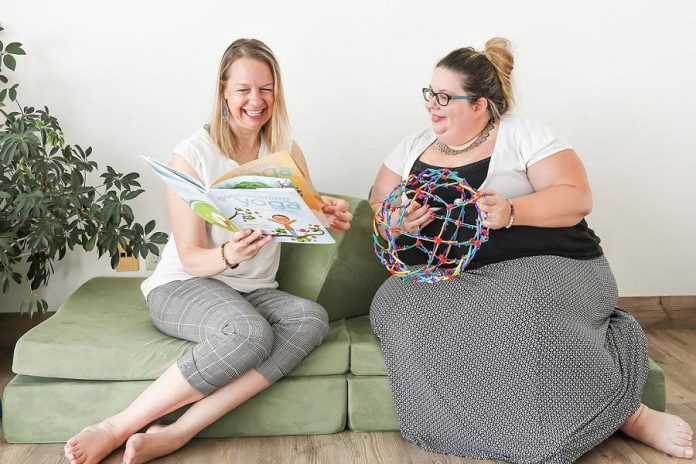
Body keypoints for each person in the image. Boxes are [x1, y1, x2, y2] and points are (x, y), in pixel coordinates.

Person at [369, 38, 693, 463]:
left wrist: (511, 210)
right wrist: (396, 220)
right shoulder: (411, 147)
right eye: (430, 93)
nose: (432, 103)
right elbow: (377, 204)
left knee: (518, 305)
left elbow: (576, 197)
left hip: (552, 264)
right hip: (451, 276)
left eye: (445, 96)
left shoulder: (526, 135)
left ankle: (629, 414)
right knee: (396, 304)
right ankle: (482, 432)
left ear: (480, 104)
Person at [63, 38, 353, 464]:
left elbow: (302, 219)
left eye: (266, 89)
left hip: (253, 289)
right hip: (186, 283)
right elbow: (193, 255)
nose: (256, 101)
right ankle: (117, 425)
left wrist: (327, 216)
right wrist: (229, 256)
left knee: (311, 319)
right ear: (223, 91)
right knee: (250, 333)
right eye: (243, 90)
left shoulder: (286, 151)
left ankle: (179, 432)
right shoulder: (191, 155)